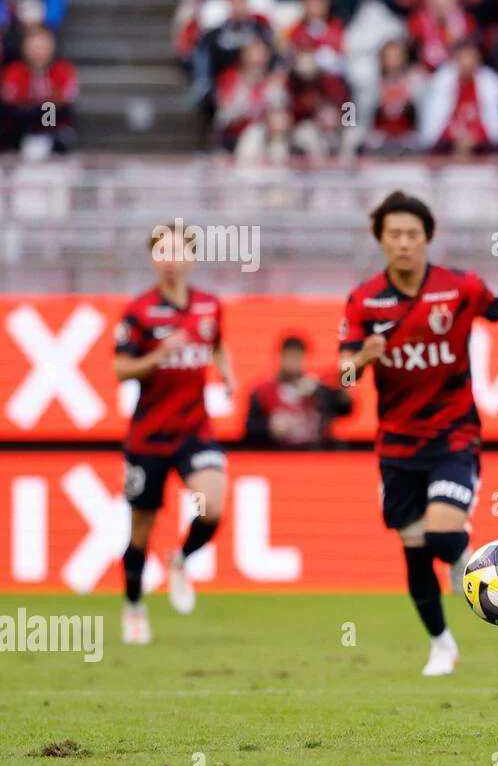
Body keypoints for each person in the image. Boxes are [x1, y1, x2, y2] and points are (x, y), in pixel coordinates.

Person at [338, 191, 498, 676]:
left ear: (427, 238)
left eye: (412, 235)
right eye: (394, 234)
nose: (403, 243)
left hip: (454, 435)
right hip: (397, 445)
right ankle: (442, 643)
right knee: (415, 553)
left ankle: (465, 557)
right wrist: (362, 358)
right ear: (381, 240)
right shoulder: (363, 300)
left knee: (443, 538)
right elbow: (343, 377)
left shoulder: (458, 287)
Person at [113, 225, 237, 644]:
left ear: (191, 256)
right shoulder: (139, 311)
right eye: (161, 250)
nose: (169, 258)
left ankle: (181, 559)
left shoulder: (209, 305)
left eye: (176, 249)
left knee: (212, 506)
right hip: (149, 436)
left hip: (194, 430)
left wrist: (227, 373)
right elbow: (120, 369)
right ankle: (133, 605)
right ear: (152, 258)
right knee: (141, 529)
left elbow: (216, 343)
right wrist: (159, 354)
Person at [244, 335, 353, 448]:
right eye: (290, 356)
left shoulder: (317, 388)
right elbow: (250, 429)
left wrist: (347, 379)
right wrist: (269, 426)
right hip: (278, 456)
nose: (293, 362)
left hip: (315, 454)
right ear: (281, 357)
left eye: (297, 357)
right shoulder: (263, 391)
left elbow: (345, 407)